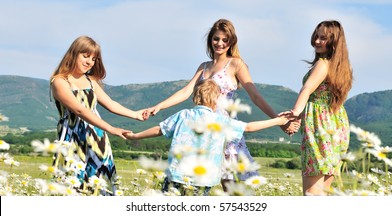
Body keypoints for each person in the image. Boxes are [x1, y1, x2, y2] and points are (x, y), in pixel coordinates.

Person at [146, 18, 300, 190]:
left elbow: (255, 96)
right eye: (216, 39)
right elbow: (185, 91)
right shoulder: (203, 66)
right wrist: (159, 106)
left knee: (230, 186)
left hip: (225, 130)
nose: (219, 43)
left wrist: (279, 121)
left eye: (225, 40)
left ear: (231, 41)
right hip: (204, 132)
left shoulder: (236, 64)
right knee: (194, 181)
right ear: (210, 40)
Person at [126, 79, 290, 195]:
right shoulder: (220, 120)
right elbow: (248, 127)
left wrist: (135, 136)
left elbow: (159, 129)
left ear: (195, 97)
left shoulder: (183, 115)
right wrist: (277, 121)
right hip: (203, 179)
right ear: (217, 100)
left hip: (176, 174)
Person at [50, 36, 147, 195]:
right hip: (72, 140)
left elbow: (111, 104)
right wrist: (111, 128)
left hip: (97, 139)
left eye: (94, 59)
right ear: (74, 54)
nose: (89, 62)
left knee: (100, 185)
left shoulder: (91, 81)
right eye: (85, 56)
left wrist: (135, 115)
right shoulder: (60, 81)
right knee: (69, 185)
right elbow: (80, 110)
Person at [280, 20, 353, 196]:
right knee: (323, 193)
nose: (317, 42)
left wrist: (296, 112)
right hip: (337, 127)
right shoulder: (343, 68)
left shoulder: (323, 63)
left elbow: (307, 89)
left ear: (334, 42)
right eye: (317, 37)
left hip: (320, 128)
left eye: (324, 38)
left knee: (312, 194)